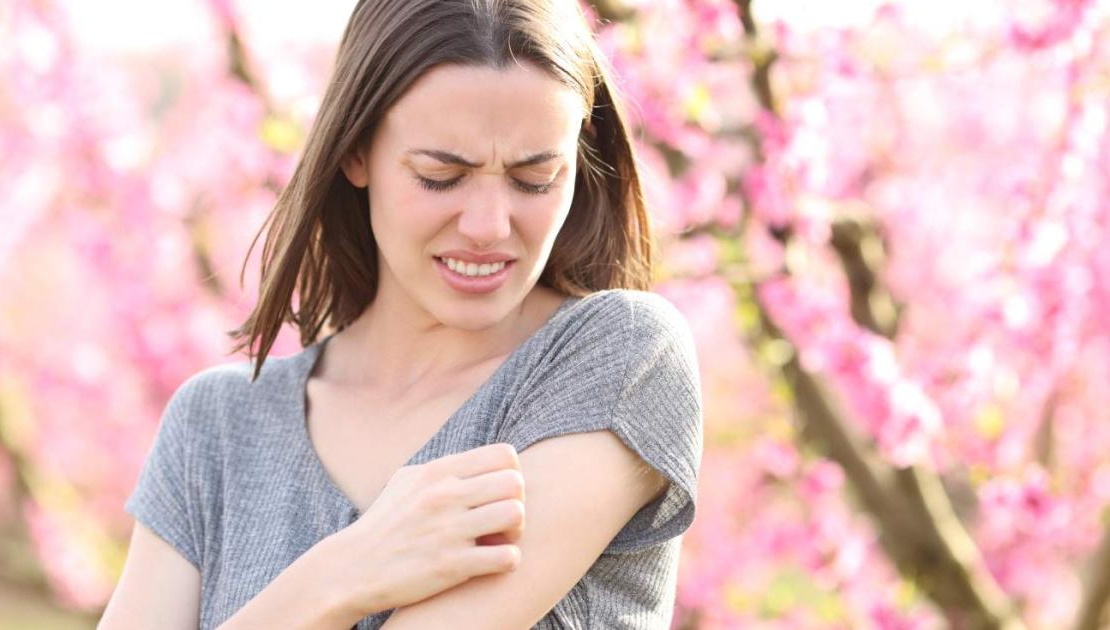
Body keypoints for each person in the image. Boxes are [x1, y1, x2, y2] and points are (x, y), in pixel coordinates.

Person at [99, 0, 704, 628]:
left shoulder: (620, 359)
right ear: (355, 152)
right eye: (441, 175)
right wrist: (338, 575)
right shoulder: (217, 428)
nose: (488, 226)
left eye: (535, 178)